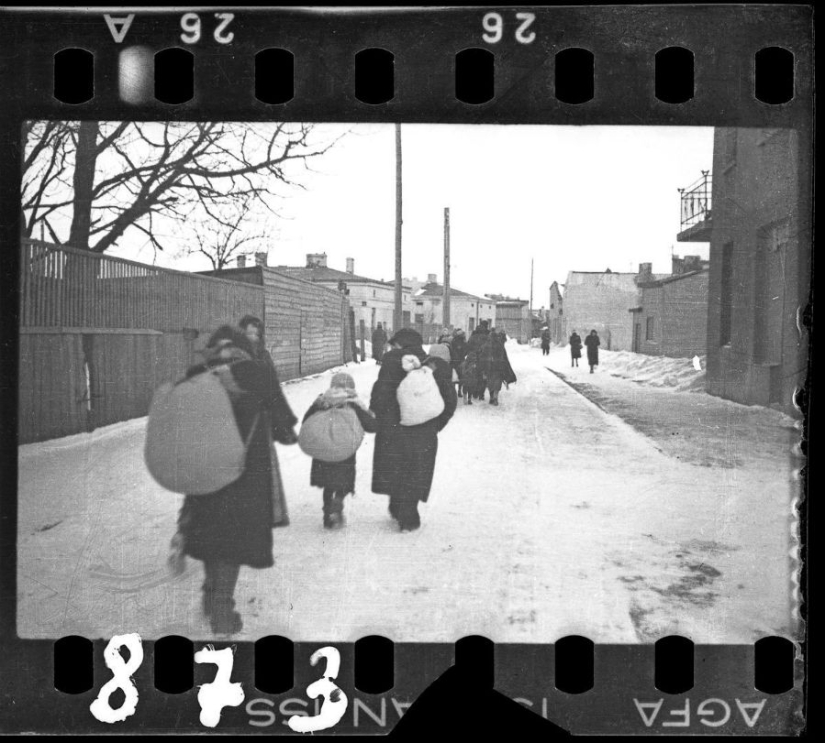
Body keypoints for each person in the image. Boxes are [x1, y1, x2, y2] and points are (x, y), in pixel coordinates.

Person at [177, 325, 298, 635]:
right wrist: (284, 432)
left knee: (208, 527)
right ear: (243, 346)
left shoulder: (196, 372)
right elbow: (283, 422)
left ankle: (209, 593)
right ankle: (222, 606)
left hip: (204, 468)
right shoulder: (258, 372)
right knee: (233, 537)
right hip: (247, 471)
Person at [370, 328, 457, 532]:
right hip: (424, 430)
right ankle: (409, 512)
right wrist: (436, 425)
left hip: (393, 428)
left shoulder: (391, 361)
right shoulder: (437, 365)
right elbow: (450, 401)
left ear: (400, 344)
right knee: (417, 470)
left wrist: (380, 419)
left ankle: (397, 504)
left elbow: (380, 395)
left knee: (395, 466)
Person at [239, 314, 295, 525]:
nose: (252, 337)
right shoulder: (235, 354)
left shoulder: (263, 355)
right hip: (240, 418)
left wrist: (282, 417)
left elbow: (273, 386)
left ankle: (268, 513)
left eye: (256, 333)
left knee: (262, 466)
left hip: (261, 417)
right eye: (248, 333)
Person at [302, 373, 376, 529]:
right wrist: (368, 413)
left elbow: (306, 421)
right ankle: (339, 501)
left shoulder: (322, 401)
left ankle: (327, 515)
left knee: (328, 485)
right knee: (344, 483)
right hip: (345, 454)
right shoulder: (353, 403)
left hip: (324, 453)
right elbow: (371, 426)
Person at [479, 329, 517, 406]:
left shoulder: (486, 345)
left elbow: (482, 357)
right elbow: (505, 358)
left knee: (490, 383)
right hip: (498, 368)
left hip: (489, 368)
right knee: (497, 383)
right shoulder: (500, 345)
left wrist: (482, 368)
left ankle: (491, 397)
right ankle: (495, 397)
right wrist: (506, 368)